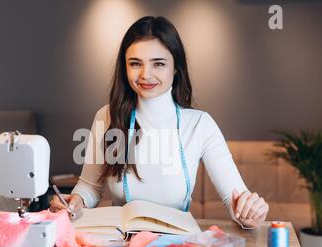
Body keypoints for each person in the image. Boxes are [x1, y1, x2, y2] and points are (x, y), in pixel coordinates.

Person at [50, 16, 269, 229]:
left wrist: (249, 214)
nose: (146, 74)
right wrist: (75, 201)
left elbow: (235, 200)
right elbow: (90, 187)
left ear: (176, 67)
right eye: (135, 63)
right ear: (124, 67)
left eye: (159, 64)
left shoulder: (200, 125)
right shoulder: (107, 117)